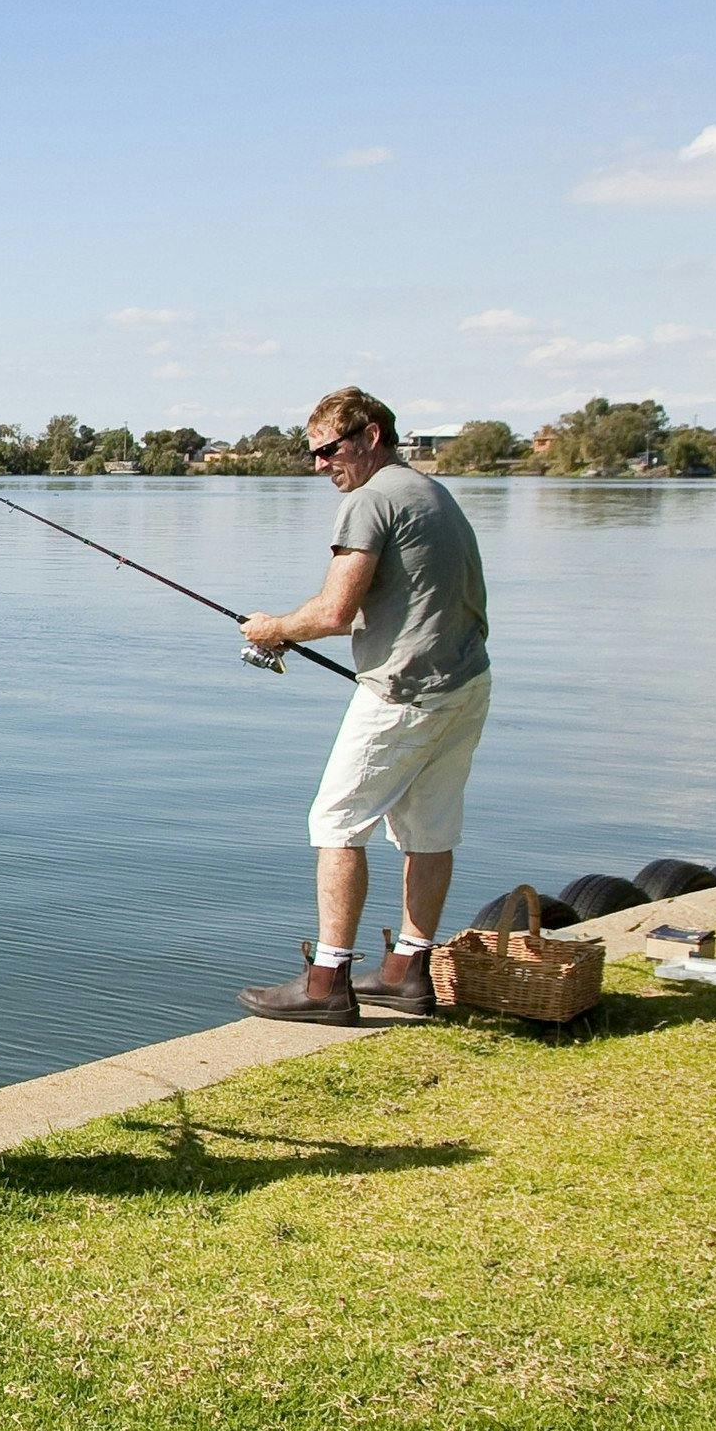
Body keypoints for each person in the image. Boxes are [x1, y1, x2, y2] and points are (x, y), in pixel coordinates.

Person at [236, 384, 493, 1024]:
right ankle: (408, 970)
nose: (320, 464)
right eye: (314, 452)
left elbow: (334, 611)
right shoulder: (429, 492)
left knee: (337, 822)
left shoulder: (372, 499)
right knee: (429, 830)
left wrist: (273, 628)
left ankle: (327, 981)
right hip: (464, 684)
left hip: (403, 693)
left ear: (369, 436)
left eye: (328, 450)